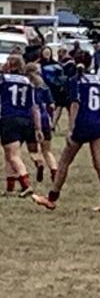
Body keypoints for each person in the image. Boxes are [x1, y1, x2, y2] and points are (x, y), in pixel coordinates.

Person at [32, 59, 100, 212]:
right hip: (97, 122)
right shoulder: (95, 80)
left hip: (82, 123)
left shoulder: (75, 81)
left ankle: (51, 198)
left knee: (64, 161)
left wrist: (71, 128)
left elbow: (75, 104)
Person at [1, 55, 41, 197]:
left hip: (9, 118)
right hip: (26, 119)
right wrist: (38, 127)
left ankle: (26, 184)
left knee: (13, 155)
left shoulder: (4, 79)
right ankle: (10, 187)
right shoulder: (27, 81)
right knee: (9, 154)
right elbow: (34, 107)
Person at [25, 63, 58, 183]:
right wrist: (50, 116)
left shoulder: (26, 87)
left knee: (33, 150)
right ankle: (54, 170)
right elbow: (52, 105)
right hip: (44, 119)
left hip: (30, 119)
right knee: (47, 150)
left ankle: (39, 163)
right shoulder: (44, 87)